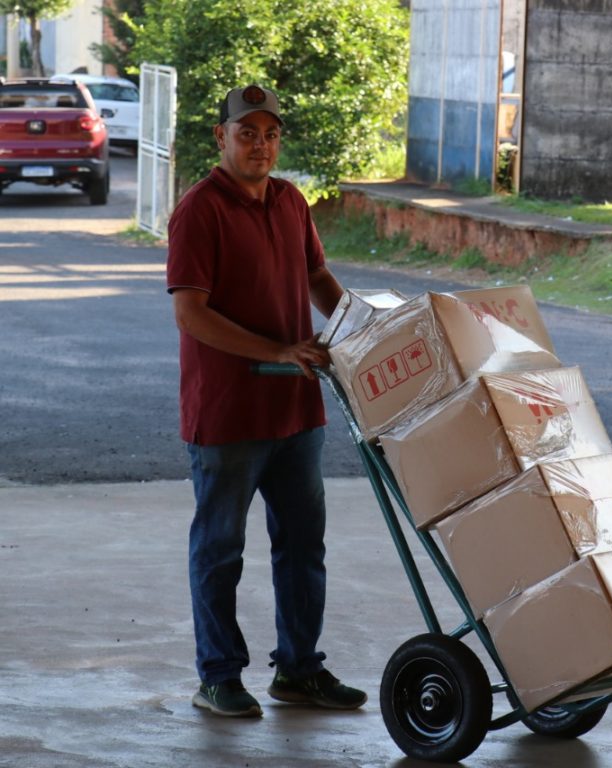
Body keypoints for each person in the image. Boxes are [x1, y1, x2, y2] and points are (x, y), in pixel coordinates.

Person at [166, 84, 366, 718]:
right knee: (221, 548)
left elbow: (316, 279)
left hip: (296, 412)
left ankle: (299, 671)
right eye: (246, 133)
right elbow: (191, 314)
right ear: (220, 138)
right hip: (228, 414)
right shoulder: (199, 210)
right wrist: (278, 350)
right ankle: (219, 676)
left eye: (270, 134)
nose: (260, 145)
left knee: (304, 545)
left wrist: (366, 330)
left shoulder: (289, 200)